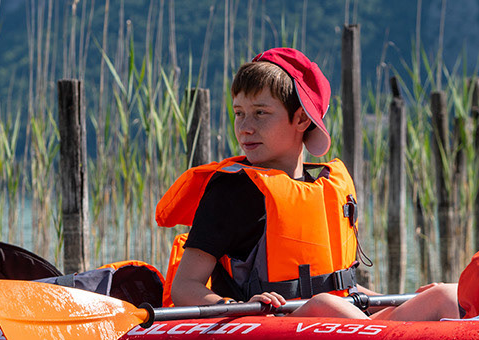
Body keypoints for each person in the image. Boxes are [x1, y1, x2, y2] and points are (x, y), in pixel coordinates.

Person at [156, 47, 459, 321]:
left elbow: (338, 286)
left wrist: (390, 300)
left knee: (447, 295)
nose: (245, 128)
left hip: (337, 320)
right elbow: (185, 287)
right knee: (325, 305)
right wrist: (241, 306)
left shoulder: (325, 188)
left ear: (301, 119)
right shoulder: (231, 191)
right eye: (239, 114)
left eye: (260, 113)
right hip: (271, 329)